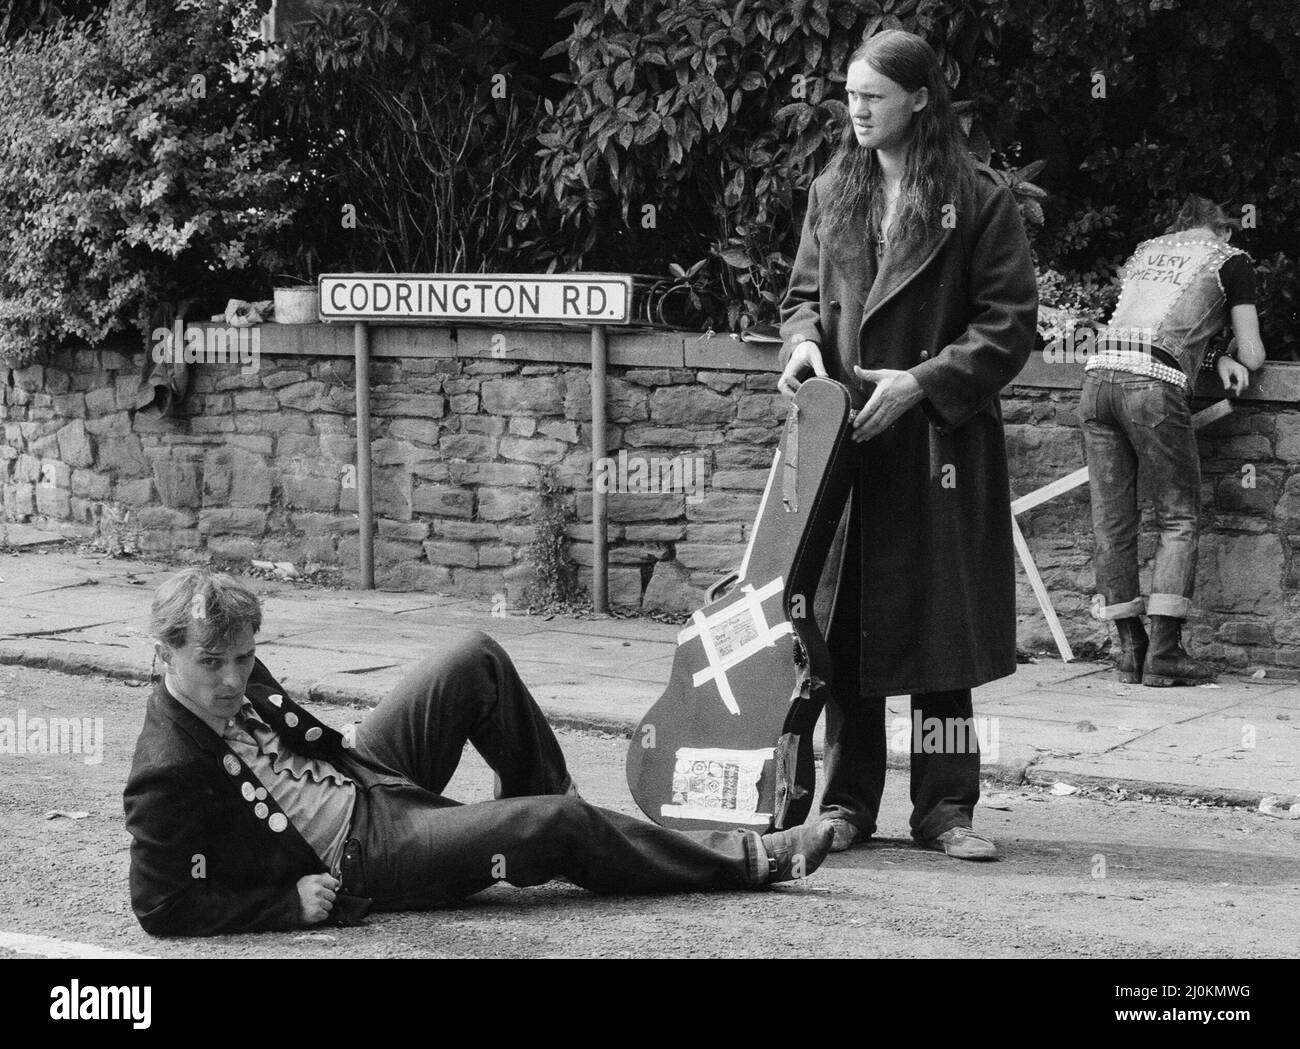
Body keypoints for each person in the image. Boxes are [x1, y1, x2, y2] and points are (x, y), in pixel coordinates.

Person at [123, 568, 834, 936]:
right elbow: (160, 906)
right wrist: (285, 905)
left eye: (244, 660)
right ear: (166, 656)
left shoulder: (235, 660)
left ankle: (572, 831)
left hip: (365, 775)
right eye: (213, 663)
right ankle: (745, 858)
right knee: (555, 825)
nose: (232, 678)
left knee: (475, 657)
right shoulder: (165, 768)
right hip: (363, 850)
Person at [776, 30, 1037, 861]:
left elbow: (1008, 325)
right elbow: (802, 300)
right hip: (848, 441)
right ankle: (847, 802)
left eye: (874, 96)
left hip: (936, 443)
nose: (855, 109)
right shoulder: (833, 189)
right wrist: (802, 348)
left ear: (920, 100)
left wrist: (923, 383)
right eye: (849, 94)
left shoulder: (981, 199)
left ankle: (945, 808)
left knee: (939, 623)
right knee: (841, 621)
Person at [1081, 195, 1265, 686]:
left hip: (1097, 380)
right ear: (1223, 230)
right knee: (1178, 517)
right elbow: (1253, 352)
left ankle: (1128, 651)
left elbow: (1156, 327)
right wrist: (1230, 354)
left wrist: (1208, 360)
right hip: (1152, 389)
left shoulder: (1147, 251)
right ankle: (1165, 653)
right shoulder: (1230, 259)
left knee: (1112, 520)